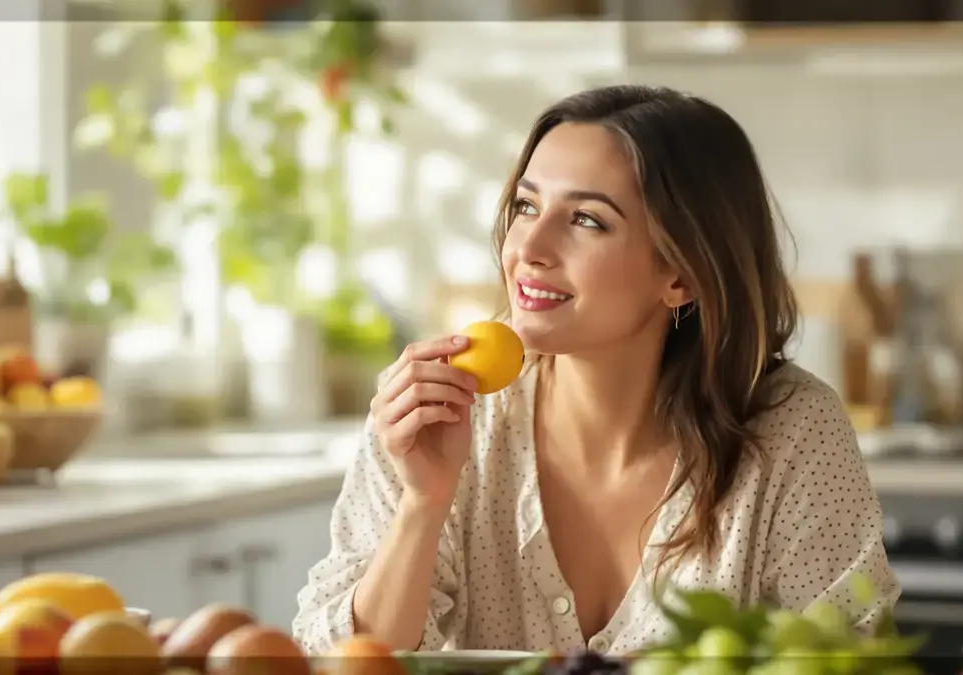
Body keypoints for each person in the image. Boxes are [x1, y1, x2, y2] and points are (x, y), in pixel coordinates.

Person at [293, 84, 899, 656]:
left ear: (681, 275)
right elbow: (350, 662)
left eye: (587, 220)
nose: (529, 247)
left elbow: (851, 658)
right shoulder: (436, 418)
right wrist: (423, 505)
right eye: (527, 206)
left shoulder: (794, 433)